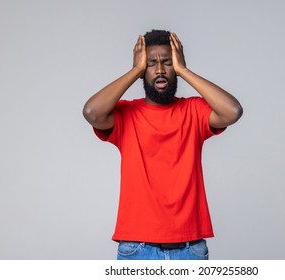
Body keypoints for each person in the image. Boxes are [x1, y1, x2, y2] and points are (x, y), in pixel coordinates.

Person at [83, 29, 243, 260]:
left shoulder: (194, 110)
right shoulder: (127, 114)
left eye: (167, 63)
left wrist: (184, 70)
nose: (160, 69)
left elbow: (232, 111)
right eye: (151, 64)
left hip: (190, 249)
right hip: (137, 248)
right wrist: (135, 70)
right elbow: (92, 112)